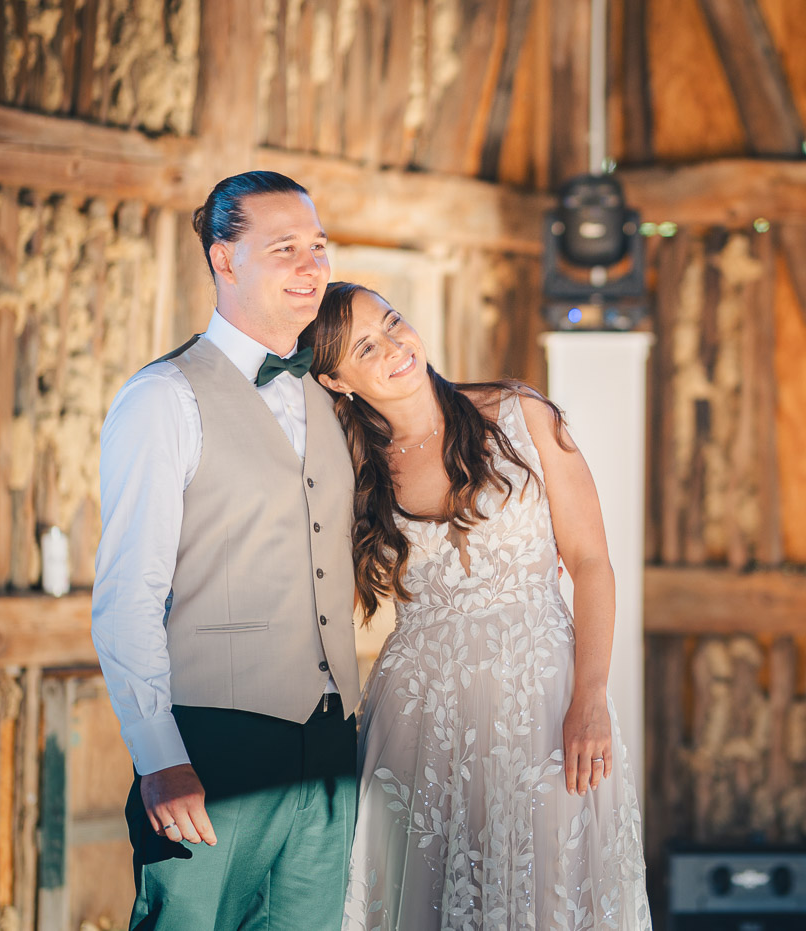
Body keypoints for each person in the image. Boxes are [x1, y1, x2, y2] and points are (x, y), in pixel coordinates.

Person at [302, 282, 651, 930]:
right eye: (366, 347)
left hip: (542, 703)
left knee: (546, 892)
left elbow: (592, 563)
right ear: (335, 381)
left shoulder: (522, 415)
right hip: (420, 721)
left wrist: (591, 696)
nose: (395, 347)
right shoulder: (354, 469)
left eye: (393, 323)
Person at [91, 171, 360, 930]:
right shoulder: (163, 397)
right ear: (224, 259)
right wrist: (158, 755)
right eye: (285, 248)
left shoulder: (332, 396)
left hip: (329, 747)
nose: (311, 266)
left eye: (318, 246)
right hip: (210, 743)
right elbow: (128, 594)